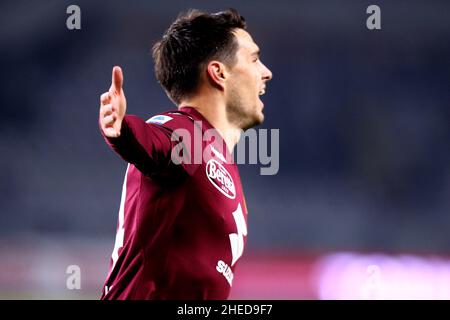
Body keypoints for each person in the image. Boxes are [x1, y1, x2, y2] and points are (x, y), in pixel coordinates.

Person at [98, 8, 272, 300]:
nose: (266, 72)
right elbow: (153, 143)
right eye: (254, 59)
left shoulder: (218, 159)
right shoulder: (189, 134)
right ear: (218, 73)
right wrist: (121, 131)